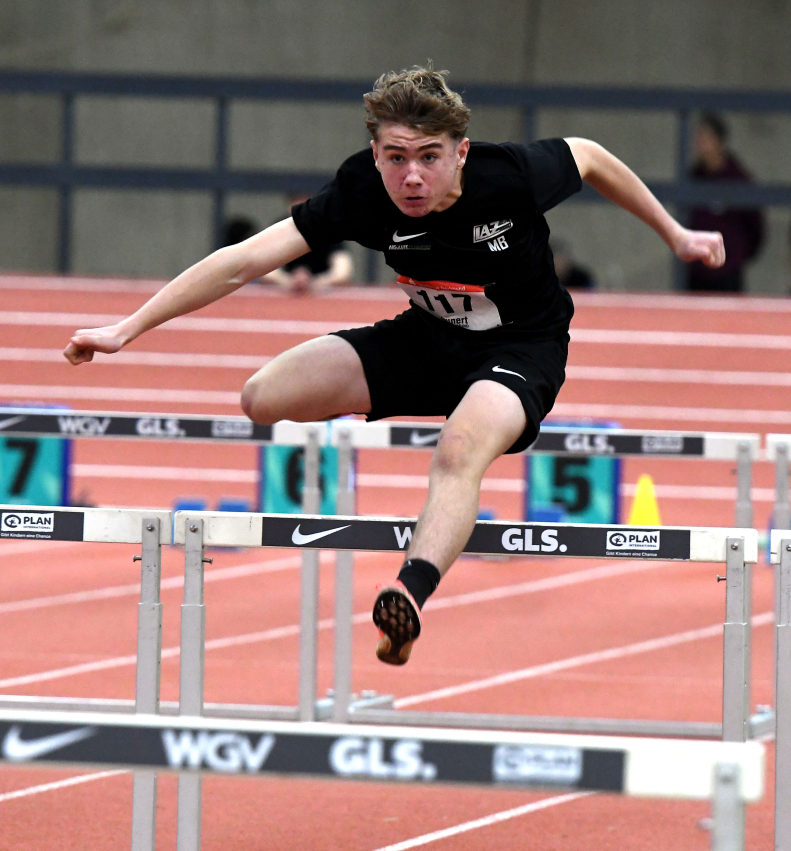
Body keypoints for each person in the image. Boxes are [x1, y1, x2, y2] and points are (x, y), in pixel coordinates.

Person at [63, 66, 725, 666]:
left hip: (521, 348)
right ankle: (422, 403)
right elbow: (242, 261)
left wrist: (675, 233)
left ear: (459, 153)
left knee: (458, 450)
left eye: (429, 158)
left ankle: (409, 592)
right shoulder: (362, 191)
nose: (411, 177)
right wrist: (127, 328)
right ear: (375, 153)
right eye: (395, 158)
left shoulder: (509, 176)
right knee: (261, 397)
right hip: (425, 342)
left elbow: (592, 156)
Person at [686, 112, 764, 293]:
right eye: (698, 139)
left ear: (719, 141)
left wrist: (736, 257)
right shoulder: (694, 178)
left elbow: (755, 228)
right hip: (697, 273)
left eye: (706, 138)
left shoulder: (739, 180)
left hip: (728, 274)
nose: (700, 144)